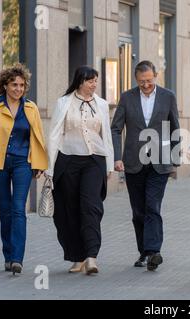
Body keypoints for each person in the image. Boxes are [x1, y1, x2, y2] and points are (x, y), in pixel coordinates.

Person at [0, 64, 48, 275]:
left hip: (22, 164)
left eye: (22, 85)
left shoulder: (31, 108)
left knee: (18, 209)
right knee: (5, 211)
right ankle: (7, 255)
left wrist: (38, 164)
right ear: (5, 85)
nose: (18, 89)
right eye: (14, 84)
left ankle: (17, 258)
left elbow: (38, 137)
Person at [111, 60, 180, 271]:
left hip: (160, 163)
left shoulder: (168, 96)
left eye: (149, 81)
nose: (146, 85)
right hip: (134, 162)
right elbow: (116, 128)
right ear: (136, 80)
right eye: (142, 82)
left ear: (155, 76)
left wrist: (175, 158)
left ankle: (153, 251)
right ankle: (143, 252)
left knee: (153, 206)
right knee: (138, 211)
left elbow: (174, 127)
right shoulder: (127, 97)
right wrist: (116, 157)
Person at [46, 66, 114, 275]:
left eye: (96, 80)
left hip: (94, 160)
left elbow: (106, 135)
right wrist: (50, 168)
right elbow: (55, 134)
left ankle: (91, 256)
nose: (94, 84)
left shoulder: (101, 104)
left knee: (91, 206)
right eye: (90, 80)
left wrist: (109, 164)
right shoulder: (64, 102)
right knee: (69, 210)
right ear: (80, 81)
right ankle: (77, 257)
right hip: (67, 159)